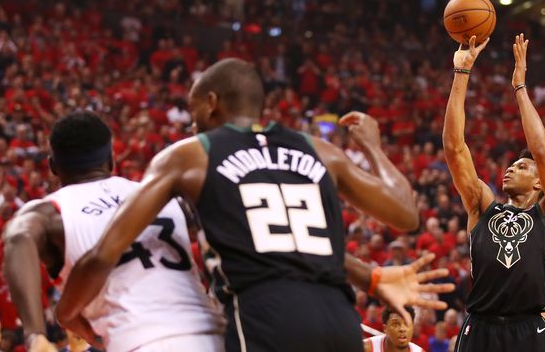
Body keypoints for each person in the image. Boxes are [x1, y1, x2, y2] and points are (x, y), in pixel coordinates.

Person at [56, 58, 454, 352]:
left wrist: (67, 313)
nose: (192, 124)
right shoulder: (318, 149)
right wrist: (372, 147)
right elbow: (405, 212)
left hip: (267, 316)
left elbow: (103, 254)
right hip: (339, 319)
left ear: (211, 103)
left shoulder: (191, 155)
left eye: (194, 112)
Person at [3, 111, 226, 352]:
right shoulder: (161, 194)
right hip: (215, 334)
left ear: (53, 167)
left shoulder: (50, 213)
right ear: (111, 159)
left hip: (141, 340)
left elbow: (18, 237)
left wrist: (35, 333)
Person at [443, 34, 545, 352]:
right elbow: (454, 148)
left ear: (540, 183)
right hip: (480, 328)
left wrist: (520, 88)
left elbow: (541, 151)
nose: (511, 169)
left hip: (529, 330)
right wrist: (462, 74)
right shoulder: (482, 204)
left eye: (522, 167)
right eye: (512, 165)